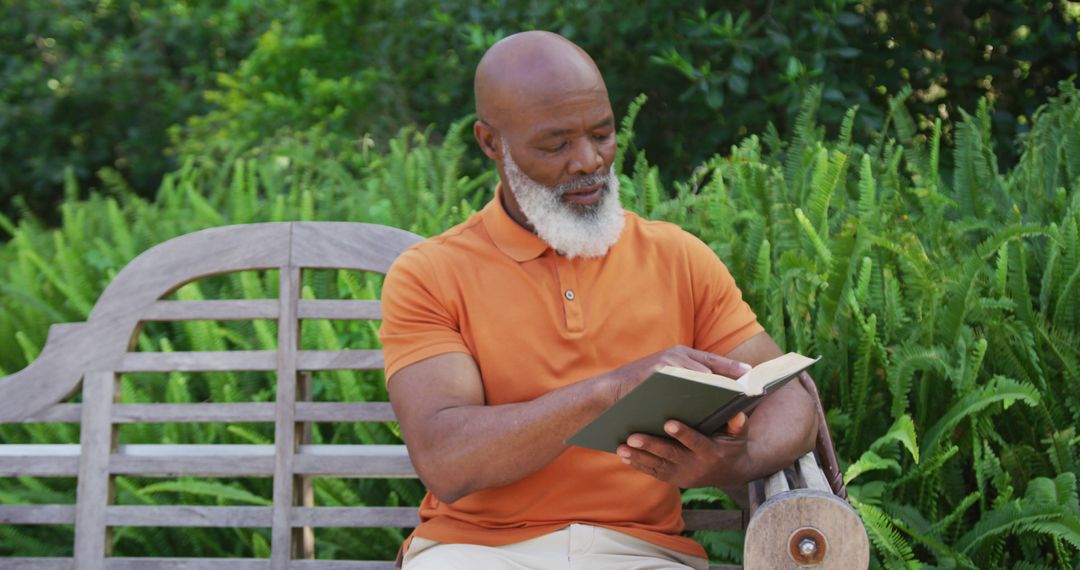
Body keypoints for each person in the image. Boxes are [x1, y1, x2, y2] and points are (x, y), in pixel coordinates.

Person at [378, 30, 818, 569]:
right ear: (491, 143)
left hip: (642, 553)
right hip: (474, 552)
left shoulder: (677, 256)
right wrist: (610, 390)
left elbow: (791, 396)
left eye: (602, 134)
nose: (588, 160)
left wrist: (731, 462)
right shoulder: (430, 274)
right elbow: (447, 458)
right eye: (556, 144)